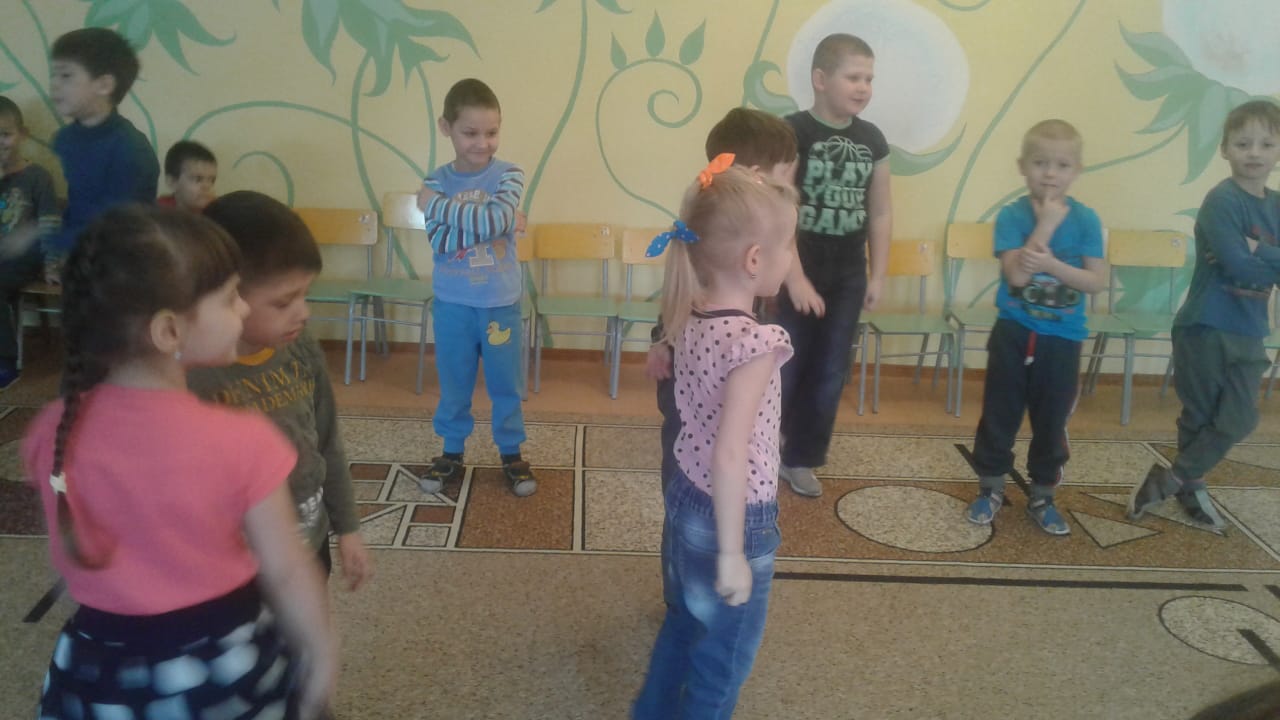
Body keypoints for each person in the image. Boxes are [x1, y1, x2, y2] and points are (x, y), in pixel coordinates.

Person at [23, 204, 336, 718]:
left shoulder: (51, 429)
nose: (242, 308)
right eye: (229, 297)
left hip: (96, 667)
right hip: (216, 666)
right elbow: (285, 570)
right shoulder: (242, 439)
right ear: (169, 331)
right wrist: (321, 652)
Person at [633, 158, 797, 718]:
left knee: (684, 627)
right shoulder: (756, 343)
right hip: (735, 518)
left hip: (686, 498)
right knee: (720, 666)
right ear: (754, 260)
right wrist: (733, 554)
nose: (790, 258)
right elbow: (731, 454)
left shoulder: (690, 314)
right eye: (788, 246)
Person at [191, 190, 372, 590]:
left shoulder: (301, 347)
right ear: (227, 297)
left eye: (305, 294)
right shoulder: (192, 377)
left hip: (309, 543)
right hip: (232, 566)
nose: (303, 312)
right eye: (284, 302)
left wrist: (348, 528)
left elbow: (327, 440)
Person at [1128, 99, 1280, 532]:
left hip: (1249, 329)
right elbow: (1236, 266)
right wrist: (1261, 257)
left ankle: (1172, 479)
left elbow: (1250, 261)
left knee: (1240, 417)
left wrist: (1258, 248)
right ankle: (1192, 488)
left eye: (1266, 143)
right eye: (1243, 143)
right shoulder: (1221, 201)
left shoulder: (1277, 205)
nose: (1254, 152)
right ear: (1225, 149)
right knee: (1199, 416)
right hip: (1205, 325)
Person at [964, 119, 1106, 536]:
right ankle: (990, 487)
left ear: (1076, 170)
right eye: (1040, 163)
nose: (1050, 174)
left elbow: (1095, 281)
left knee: (1051, 420)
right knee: (999, 414)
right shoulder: (1012, 216)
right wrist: (1044, 226)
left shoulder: (1086, 220)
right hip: (1013, 333)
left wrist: (1052, 265)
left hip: (1062, 341)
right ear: (1022, 167)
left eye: (1062, 165)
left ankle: (1043, 494)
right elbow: (1017, 277)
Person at [646, 107, 798, 490]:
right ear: (757, 177)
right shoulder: (714, 234)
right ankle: (685, 490)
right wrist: (662, 340)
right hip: (692, 381)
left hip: (717, 373)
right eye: (785, 172)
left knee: (714, 436)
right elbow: (680, 285)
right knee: (688, 437)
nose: (789, 183)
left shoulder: (743, 237)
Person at [777, 33, 891, 497]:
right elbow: (780, 207)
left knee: (829, 371)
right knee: (785, 364)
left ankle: (800, 458)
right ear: (821, 79)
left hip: (847, 274)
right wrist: (795, 277)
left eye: (869, 79)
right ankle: (764, 443)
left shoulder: (872, 140)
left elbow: (880, 212)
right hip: (796, 268)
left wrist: (877, 273)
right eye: (854, 77)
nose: (863, 87)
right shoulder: (793, 132)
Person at [416, 78, 535, 496]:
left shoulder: (509, 175)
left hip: (500, 303)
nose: (482, 143)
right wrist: (497, 221)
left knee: (506, 385)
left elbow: (491, 221)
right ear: (446, 127)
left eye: (492, 132)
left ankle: (511, 454)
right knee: (454, 385)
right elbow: (440, 240)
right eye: (470, 132)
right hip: (453, 305)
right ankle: (451, 452)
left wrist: (437, 207)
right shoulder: (436, 180)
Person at [47, 27, 159, 277]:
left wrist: (44, 239)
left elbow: (117, 226)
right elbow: (79, 204)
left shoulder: (130, 149)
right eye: (53, 75)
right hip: (82, 258)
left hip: (123, 266)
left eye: (66, 75)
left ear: (104, 85)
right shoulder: (66, 140)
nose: (54, 84)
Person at [0, 96, 60, 389]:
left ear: (22, 135)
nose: (0, 143)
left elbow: (50, 224)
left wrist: (52, 264)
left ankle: (5, 361)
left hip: (23, 258)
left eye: (5, 134)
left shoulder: (37, 178)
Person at [158, 139, 217, 212]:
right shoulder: (159, 212)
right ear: (172, 182)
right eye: (198, 179)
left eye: (212, 180)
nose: (207, 186)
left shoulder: (217, 211)